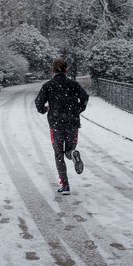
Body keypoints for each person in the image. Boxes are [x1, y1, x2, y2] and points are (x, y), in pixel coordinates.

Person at [35, 58, 89, 195]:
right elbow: (85, 97)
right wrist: (77, 110)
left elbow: (38, 102)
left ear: (53, 70)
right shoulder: (73, 84)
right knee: (69, 150)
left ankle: (65, 185)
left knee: (58, 154)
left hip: (56, 124)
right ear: (66, 70)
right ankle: (73, 154)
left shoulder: (48, 85)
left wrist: (44, 109)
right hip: (72, 123)